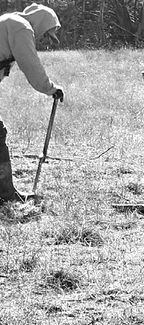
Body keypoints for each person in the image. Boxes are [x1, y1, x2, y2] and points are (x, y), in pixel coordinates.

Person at [0, 3, 64, 203]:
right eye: (46, 33)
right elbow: (31, 65)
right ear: (41, 23)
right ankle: (7, 195)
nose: (44, 39)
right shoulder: (21, 27)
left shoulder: (10, 21)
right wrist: (51, 88)